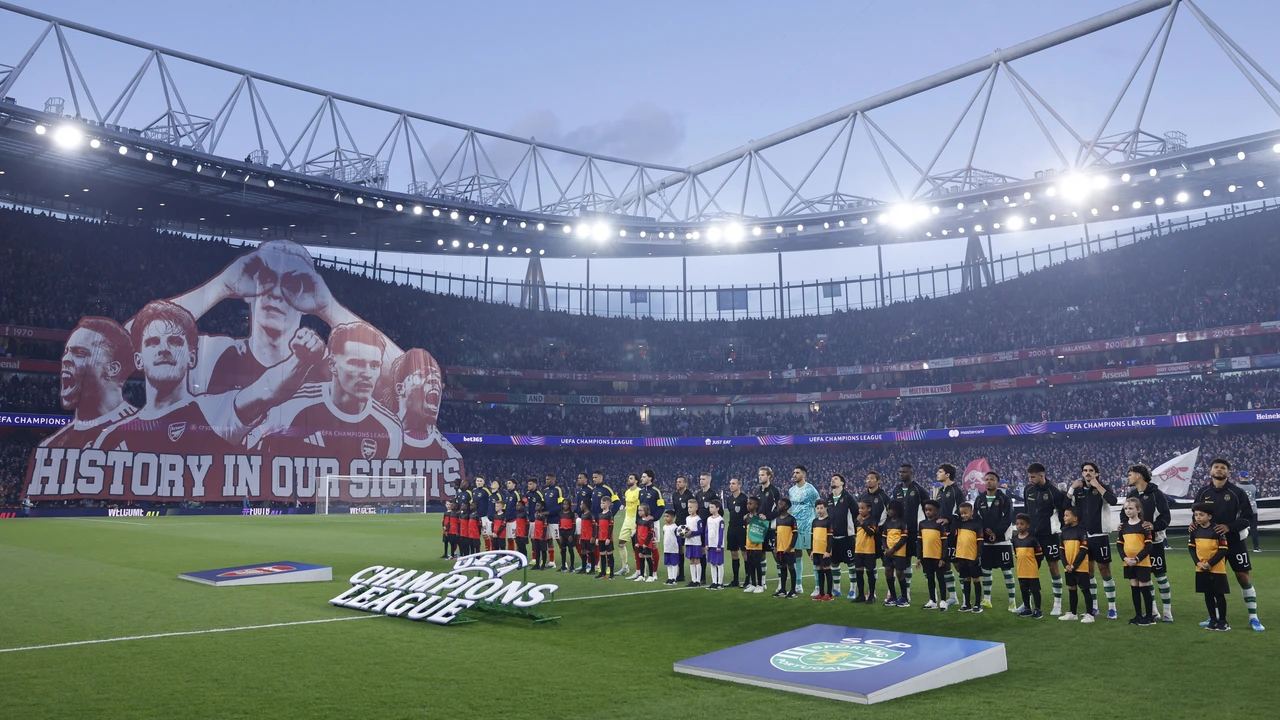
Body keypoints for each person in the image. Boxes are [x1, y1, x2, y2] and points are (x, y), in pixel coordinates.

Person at [101, 301, 324, 462]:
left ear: (192, 357)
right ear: (138, 360)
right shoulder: (114, 436)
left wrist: (301, 359)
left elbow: (268, 390)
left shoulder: (211, 409)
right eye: (153, 342)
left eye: (175, 341)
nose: (164, 349)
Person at [248, 321, 399, 462]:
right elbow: (247, 448)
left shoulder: (390, 426)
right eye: (357, 363)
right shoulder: (291, 405)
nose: (367, 374)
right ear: (332, 365)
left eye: (374, 365)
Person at [39, 317, 137, 450]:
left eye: (80, 353)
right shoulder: (50, 445)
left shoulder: (140, 432)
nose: (65, 359)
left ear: (112, 369)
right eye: (66, 352)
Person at [1191, 458, 1264, 631]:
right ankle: (1215, 617)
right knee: (1212, 580)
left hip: (1234, 541)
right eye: (1216, 467)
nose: (1219, 469)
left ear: (1228, 472)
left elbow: (1248, 518)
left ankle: (1253, 617)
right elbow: (1196, 513)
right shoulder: (1203, 492)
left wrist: (1229, 527)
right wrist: (1193, 524)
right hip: (1211, 544)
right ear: (1210, 471)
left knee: (1242, 576)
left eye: (1223, 468)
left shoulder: (1237, 492)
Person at [388, 349, 462, 503]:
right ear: (400, 388)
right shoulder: (381, 436)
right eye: (423, 374)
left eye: (437, 377)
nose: (434, 380)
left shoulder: (451, 454)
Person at [1126, 464, 1174, 622]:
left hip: (1154, 541)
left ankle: (1167, 612)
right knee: (1145, 578)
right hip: (1137, 544)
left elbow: (1165, 516)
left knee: (1160, 576)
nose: (1128, 477)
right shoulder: (1132, 495)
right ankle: (1153, 610)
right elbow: (1125, 516)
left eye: (1130, 474)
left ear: (1138, 475)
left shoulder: (1156, 494)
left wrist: (1154, 526)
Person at [1072, 461, 1119, 620]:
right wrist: (1071, 488)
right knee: (1089, 573)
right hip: (1084, 537)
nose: (1088, 473)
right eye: (1085, 470)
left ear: (1097, 473)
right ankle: (1094, 607)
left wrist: (1097, 485)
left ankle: (1112, 608)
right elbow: (1066, 506)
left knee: (1105, 571)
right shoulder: (1078, 491)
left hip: (1100, 536)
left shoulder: (1103, 488)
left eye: (1091, 470)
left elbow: (1113, 501)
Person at [1022, 462, 1068, 615]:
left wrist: (1063, 532)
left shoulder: (1054, 492)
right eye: (1029, 477)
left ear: (1042, 475)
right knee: (1030, 570)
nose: (1030, 480)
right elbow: (1027, 511)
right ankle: (1027, 604)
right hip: (1032, 537)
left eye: (1033, 477)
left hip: (1049, 536)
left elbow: (1062, 514)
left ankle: (1057, 604)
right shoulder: (1028, 490)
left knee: (1053, 567)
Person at [973, 471, 1017, 612]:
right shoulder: (979, 499)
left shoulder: (1004, 499)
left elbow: (1007, 518)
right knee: (986, 570)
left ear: (997, 483)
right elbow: (976, 518)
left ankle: (1012, 601)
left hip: (1002, 541)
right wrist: (984, 530)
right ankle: (987, 600)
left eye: (991, 479)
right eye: (986, 479)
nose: (988, 481)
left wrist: (996, 533)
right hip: (986, 542)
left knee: (1007, 571)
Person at [1190, 503, 1232, 631]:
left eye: (1201, 515)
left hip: (1217, 568)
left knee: (1219, 594)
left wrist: (1210, 563)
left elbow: (1223, 549)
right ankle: (1213, 619)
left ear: (1209, 516)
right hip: (1201, 568)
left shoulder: (1217, 530)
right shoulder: (1194, 530)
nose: (1198, 517)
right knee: (1207, 594)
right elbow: (1191, 549)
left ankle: (1223, 621)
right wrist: (1198, 563)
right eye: (1196, 515)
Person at [1118, 497, 1155, 626]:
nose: (1128, 511)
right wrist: (1125, 558)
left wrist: (1137, 559)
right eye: (1126, 508)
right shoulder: (1123, 527)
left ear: (1138, 510)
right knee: (1134, 588)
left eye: (1130, 508)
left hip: (1142, 563)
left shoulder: (1144, 526)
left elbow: (1149, 546)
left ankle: (1149, 617)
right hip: (1128, 563)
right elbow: (1119, 545)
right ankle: (1138, 615)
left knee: (1144, 588)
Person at [895, 463, 927, 600]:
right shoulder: (896, 490)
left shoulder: (919, 490)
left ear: (911, 473)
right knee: (905, 560)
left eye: (904, 472)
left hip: (916, 531)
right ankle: (906, 592)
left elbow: (928, 508)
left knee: (924, 560)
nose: (902, 474)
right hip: (901, 532)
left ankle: (933, 595)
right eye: (900, 472)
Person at [788, 466, 820, 596]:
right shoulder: (791, 490)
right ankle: (798, 584)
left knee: (813, 554)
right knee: (796, 554)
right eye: (794, 472)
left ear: (804, 475)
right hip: (796, 527)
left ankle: (818, 586)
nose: (794, 475)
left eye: (797, 473)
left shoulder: (811, 490)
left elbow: (818, 506)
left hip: (808, 527)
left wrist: (817, 524)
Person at [1060, 506, 1095, 623]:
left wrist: (1074, 565)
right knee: (1071, 588)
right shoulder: (1064, 531)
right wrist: (1066, 565)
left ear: (1075, 518)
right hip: (1068, 567)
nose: (1064, 517)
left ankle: (1090, 614)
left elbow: (1083, 550)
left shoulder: (1082, 531)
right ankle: (1073, 613)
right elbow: (1061, 550)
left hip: (1080, 567)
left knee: (1085, 589)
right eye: (1064, 515)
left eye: (1067, 515)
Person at [935, 463, 963, 607]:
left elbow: (961, 510)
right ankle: (953, 597)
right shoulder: (940, 491)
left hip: (953, 533)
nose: (937, 473)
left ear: (947, 475)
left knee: (957, 564)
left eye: (940, 471)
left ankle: (966, 598)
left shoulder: (956, 491)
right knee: (944, 564)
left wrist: (949, 520)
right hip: (941, 533)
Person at [826, 474, 857, 599]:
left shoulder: (848, 497)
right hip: (833, 537)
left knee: (851, 563)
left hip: (847, 537)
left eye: (836, 479)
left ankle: (852, 590)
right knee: (834, 563)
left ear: (842, 483)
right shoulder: (829, 498)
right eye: (832, 479)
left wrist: (855, 531)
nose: (832, 480)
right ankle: (837, 589)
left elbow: (856, 514)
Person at [753, 466, 782, 586]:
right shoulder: (757, 491)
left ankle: (781, 582)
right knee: (761, 553)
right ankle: (762, 582)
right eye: (759, 475)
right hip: (760, 526)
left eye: (762, 475)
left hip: (772, 526)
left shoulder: (775, 491)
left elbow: (779, 508)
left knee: (776, 553)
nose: (760, 477)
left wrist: (767, 516)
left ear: (769, 476)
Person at [953, 502, 985, 613]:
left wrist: (979, 555)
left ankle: (977, 604)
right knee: (965, 579)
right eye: (961, 513)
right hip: (961, 556)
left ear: (972, 512)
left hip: (972, 557)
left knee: (976, 579)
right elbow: (952, 531)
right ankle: (967, 603)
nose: (963, 515)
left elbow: (980, 542)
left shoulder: (977, 525)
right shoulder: (959, 525)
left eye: (965, 513)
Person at [918, 500, 949, 611]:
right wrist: (919, 557)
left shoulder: (940, 524)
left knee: (940, 578)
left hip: (937, 557)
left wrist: (943, 558)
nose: (928, 512)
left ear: (936, 511)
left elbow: (944, 542)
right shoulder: (922, 524)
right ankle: (932, 600)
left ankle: (943, 601)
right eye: (926, 510)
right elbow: (920, 542)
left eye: (930, 510)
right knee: (930, 579)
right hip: (926, 557)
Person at [1013, 514, 1044, 619]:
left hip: (1031, 570)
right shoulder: (1015, 539)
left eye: (1022, 524)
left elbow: (1039, 556)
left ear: (1028, 525)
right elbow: (1017, 554)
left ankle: (1038, 609)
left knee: (1035, 590)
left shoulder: (1032, 539)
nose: (1019, 526)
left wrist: (1035, 566)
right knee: (1024, 590)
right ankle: (1027, 608)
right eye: (1017, 524)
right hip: (1021, 570)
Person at [722, 477, 750, 588]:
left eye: (733, 483)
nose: (731, 485)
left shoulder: (744, 498)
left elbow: (750, 512)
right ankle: (735, 580)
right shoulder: (729, 499)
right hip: (732, 527)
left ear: (739, 485)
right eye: (730, 483)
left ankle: (748, 579)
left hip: (742, 528)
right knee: (733, 553)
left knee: (744, 553)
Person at [882, 500, 911, 607]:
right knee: (888, 572)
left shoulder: (902, 523)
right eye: (888, 509)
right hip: (888, 552)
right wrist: (886, 549)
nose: (889, 511)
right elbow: (883, 537)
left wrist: (893, 549)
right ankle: (893, 596)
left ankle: (904, 597)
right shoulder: (887, 522)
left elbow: (903, 539)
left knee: (899, 573)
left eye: (891, 509)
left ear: (896, 510)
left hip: (899, 552)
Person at [851, 500, 879, 604]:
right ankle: (861, 595)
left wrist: (862, 523)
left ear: (869, 509)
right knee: (859, 574)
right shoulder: (857, 520)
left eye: (862, 508)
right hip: (858, 549)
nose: (860, 510)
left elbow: (871, 532)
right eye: (859, 508)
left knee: (870, 573)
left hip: (869, 550)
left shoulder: (872, 520)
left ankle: (871, 595)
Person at [670, 475, 695, 582]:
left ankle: (696, 574)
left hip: (688, 524)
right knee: (679, 548)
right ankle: (681, 573)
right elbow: (676, 511)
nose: (677, 483)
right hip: (678, 525)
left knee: (690, 547)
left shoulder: (689, 495)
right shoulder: (675, 495)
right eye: (677, 482)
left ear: (685, 484)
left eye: (680, 482)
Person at [774, 497, 797, 598]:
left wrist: (790, 547)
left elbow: (795, 534)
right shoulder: (778, 519)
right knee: (782, 567)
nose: (779, 505)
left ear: (787, 506)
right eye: (779, 504)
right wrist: (775, 546)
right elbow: (776, 534)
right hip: (780, 549)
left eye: (781, 504)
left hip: (788, 549)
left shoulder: (791, 519)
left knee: (791, 568)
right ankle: (783, 589)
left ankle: (793, 590)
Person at [619, 473, 641, 579]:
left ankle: (640, 570)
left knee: (636, 547)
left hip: (635, 522)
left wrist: (639, 523)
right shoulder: (627, 492)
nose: (628, 480)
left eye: (631, 478)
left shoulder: (640, 492)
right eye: (628, 478)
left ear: (636, 481)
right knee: (620, 544)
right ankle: (625, 567)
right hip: (627, 521)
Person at [744, 496, 767, 594]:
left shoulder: (759, 517)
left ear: (756, 505)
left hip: (757, 545)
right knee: (750, 565)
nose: (748, 505)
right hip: (748, 545)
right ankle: (753, 584)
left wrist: (764, 519)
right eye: (748, 504)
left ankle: (760, 585)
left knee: (758, 565)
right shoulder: (746, 518)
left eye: (751, 504)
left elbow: (763, 529)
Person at [811, 499, 833, 601]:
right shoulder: (814, 522)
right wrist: (812, 550)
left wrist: (828, 551)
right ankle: (821, 593)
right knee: (819, 570)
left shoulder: (828, 521)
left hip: (824, 551)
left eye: (821, 508)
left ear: (825, 509)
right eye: (817, 508)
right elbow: (812, 537)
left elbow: (830, 537)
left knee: (827, 570)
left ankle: (829, 594)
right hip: (816, 550)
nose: (819, 510)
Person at [542, 474, 564, 571]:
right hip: (547, 520)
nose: (546, 481)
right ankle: (552, 561)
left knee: (559, 540)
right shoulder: (545, 491)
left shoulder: (557, 490)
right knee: (549, 540)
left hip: (555, 519)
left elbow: (560, 505)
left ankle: (564, 562)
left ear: (553, 479)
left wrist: (550, 512)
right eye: (546, 479)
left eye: (548, 479)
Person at [682, 497, 705, 588]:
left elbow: (700, 531)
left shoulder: (698, 519)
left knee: (697, 560)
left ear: (696, 508)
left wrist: (692, 533)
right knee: (691, 560)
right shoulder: (687, 518)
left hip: (696, 543)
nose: (689, 509)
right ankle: (693, 580)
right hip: (688, 542)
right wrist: (684, 533)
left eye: (691, 507)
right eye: (688, 507)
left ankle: (698, 581)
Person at [1236, 473, 1261, 553]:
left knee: (1238, 529)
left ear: (1240, 477)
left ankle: (1238, 546)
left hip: (1241, 510)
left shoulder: (1237, 486)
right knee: (1254, 529)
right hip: (1253, 509)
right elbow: (1257, 495)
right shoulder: (1253, 487)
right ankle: (1256, 547)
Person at [706, 498, 726, 590]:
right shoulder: (709, 519)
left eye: (712, 507)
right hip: (710, 545)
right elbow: (706, 532)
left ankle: (720, 583)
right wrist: (707, 543)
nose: (710, 509)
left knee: (719, 563)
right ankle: (714, 582)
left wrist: (719, 545)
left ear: (717, 508)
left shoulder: (720, 520)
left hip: (718, 545)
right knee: (712, 563)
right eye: (710, 507)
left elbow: (721, 533)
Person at [635, 504, 657, 582]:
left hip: (646, 543)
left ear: (646, 511)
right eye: (638, 510)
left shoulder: (649, 522)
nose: (639, 512)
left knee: (648, 558)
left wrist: (646, 543)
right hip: (640, 543)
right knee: (640, 557)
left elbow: (650, 533)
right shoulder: (639, 520)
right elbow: (637, 532)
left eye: (641, 510)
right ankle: (642, 575)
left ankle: (651, 575)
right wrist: (636, 542)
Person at [595, 497, 616, 579]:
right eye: (601, 503)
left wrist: (608, 538)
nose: (601, 504)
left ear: (608, 504)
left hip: (607, 539)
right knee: (602, 555)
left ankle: (612, 574)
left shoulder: (610, 515)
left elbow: (611, 527)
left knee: (610, 555)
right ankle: (603, 573)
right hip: (600, 538)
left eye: (603, 503)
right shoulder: (599, 515)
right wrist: (597, 537)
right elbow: (598, 527)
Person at [661, 510, 681, 585]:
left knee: (674, 563)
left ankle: (674, 578)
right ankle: (670, 577)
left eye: (667, 516)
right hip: (667, 548)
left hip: (674, 549)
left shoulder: (675, 527)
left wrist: (678, 546)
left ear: (672, 517)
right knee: (668, 563)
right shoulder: (664, 527)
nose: (665, 518)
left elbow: (678, 538)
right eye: (665, 516)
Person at [577, 500, 596, 574]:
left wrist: (593, 536)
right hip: (583, 537)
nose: (580, 506)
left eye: (581, 504)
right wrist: (580, 536)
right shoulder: (583, 514)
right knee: (583, 552)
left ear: (585, 506)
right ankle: (583, 568)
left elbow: (594, 527)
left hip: (589, 537)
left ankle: (593, 569)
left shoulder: (590, 515)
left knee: (590, 552)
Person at [557, 499, 576, 572]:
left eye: (567, 504)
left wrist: (571, 535)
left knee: (571, 550)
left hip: (569, 532)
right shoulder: (560, 514)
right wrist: (560, 535)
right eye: (564, 504)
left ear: (569, 505)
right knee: (563, 550)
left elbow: (574, 526)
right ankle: (563, 566)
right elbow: (559, 525)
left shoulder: (571, 514)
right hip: (562, 533)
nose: (565, 506)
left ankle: (572, 567)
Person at [532, 502, 549, 570]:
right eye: (536, 505)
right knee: (537, 551)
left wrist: (543, 536)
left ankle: (543, 565)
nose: (536, 506)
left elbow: (545, 527)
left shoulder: (544, 516)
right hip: (536, 536)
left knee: (543, 551)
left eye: (538, 505)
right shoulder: (535, 514)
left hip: (542, 536)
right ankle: (537, 564)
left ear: (542, 507)